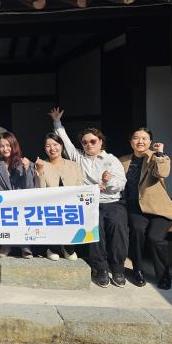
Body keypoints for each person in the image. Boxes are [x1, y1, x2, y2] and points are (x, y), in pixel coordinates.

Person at [49, 107, 127, 288]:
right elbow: (66, 142)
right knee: (94, 228)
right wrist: (57, 122)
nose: (89, 145)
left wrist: (108, 182)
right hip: (90, 203)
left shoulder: (112, 160)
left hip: (112, 201)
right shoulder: (78, 157)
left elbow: (121, 184)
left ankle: (118, 268)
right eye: (85, 142)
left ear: (101, 142)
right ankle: (100, 268)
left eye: (93, 141)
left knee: (117, 225)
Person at [120, 128, 172, 290]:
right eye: (136, 138)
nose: (140, 141)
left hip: (158, 208)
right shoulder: (123, 160)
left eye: (144, 138)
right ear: (130, 141)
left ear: (150, 142)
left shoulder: (157, 157)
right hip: (135, 207)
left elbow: (163, 173)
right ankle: (138, 270)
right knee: (137, 231)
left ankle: (164, 275)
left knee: (155, 238)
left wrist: (159, 154)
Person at [34, 133, 84, 261]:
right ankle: (53, 248)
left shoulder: (74, 165)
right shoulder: (41, 164)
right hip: (51, 207)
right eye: (48, 146)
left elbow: (80, 187)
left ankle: (68, 248)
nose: (52, 148)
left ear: (61, 145)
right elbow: (39, 191)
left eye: (55, 144)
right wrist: (39, 171)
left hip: (71, 206)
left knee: (71, 215)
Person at [0, 131, 35, 259]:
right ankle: (6, 245)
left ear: (14, 145)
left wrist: (26, 169)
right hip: (3, 203)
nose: (5, 149)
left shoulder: (25, 162)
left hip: (21, 203)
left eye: (8, 145)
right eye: (2, 146)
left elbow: (29, 187)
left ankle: (25, 246)